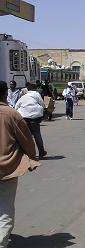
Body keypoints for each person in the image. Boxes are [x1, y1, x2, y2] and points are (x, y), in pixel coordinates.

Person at [0, 81, 41, 247]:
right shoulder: (12, 114)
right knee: (5, 208)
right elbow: (27, 140)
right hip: (7, 169)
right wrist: (31, 157)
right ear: (5, 94)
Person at [15, 83, 47, 158]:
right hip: (34, 118)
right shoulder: (36, 94)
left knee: (26, 136)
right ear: (34, 89)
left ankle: (27, 153)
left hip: (24, 118)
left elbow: (16, 106)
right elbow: (42, 104)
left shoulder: (23, 96)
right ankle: (41, 152)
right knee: (37, 135)